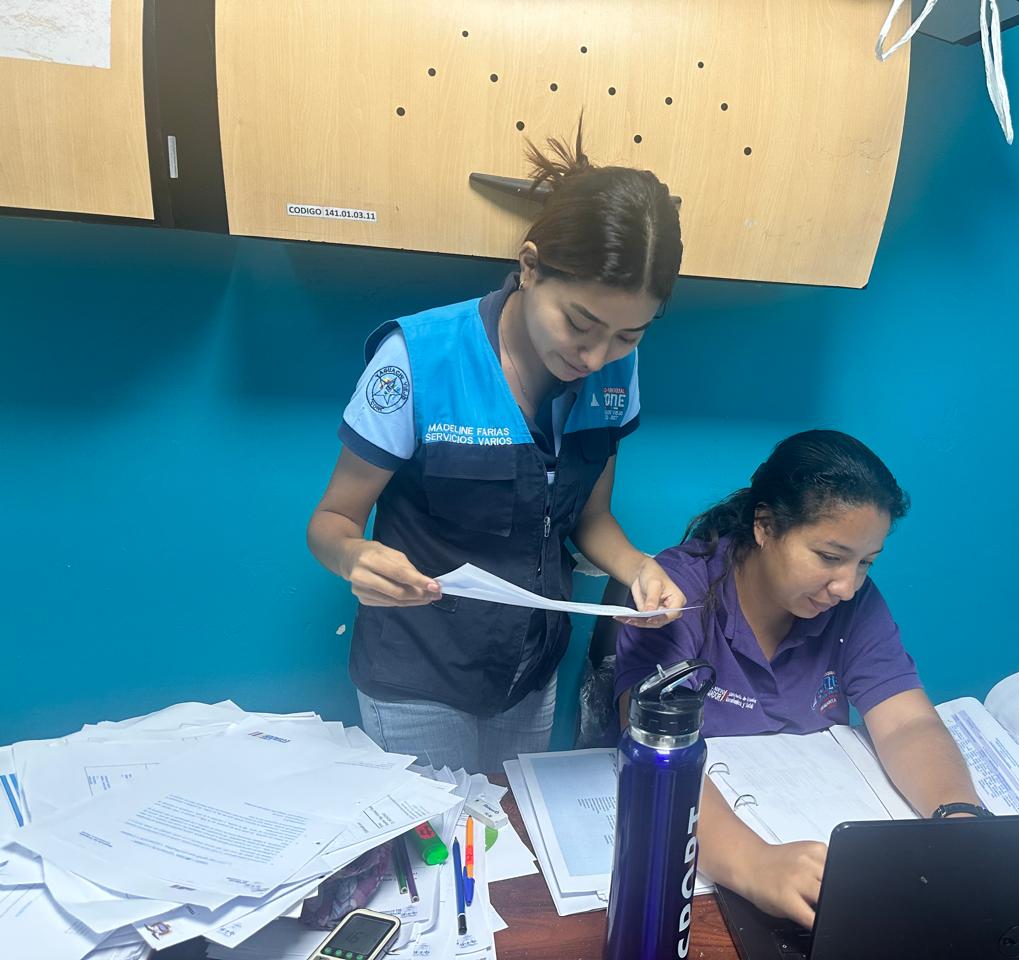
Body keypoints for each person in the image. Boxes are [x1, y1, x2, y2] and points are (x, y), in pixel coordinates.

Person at [308, 127, 686, 773]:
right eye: (580, 323)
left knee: (510, 830)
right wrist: (354, 557)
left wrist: (638, 569)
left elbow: (591, 517)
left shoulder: (616, 372)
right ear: (530, 266)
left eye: (629, 335)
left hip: (529, 676)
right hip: (417, 676)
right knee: (441, 835)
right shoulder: (419, 359)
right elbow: (331, 522)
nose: (596, 356)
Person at [614, 430, 984, 928]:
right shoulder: (678, 593)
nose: (847, 586)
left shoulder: (854, 604)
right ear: (765, 526)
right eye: (830, 557)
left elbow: (906, 722)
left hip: (819, 844)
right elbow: (659, 753)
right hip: (701, 865)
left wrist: (959, 818)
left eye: (865, 563)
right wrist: (753, 864)